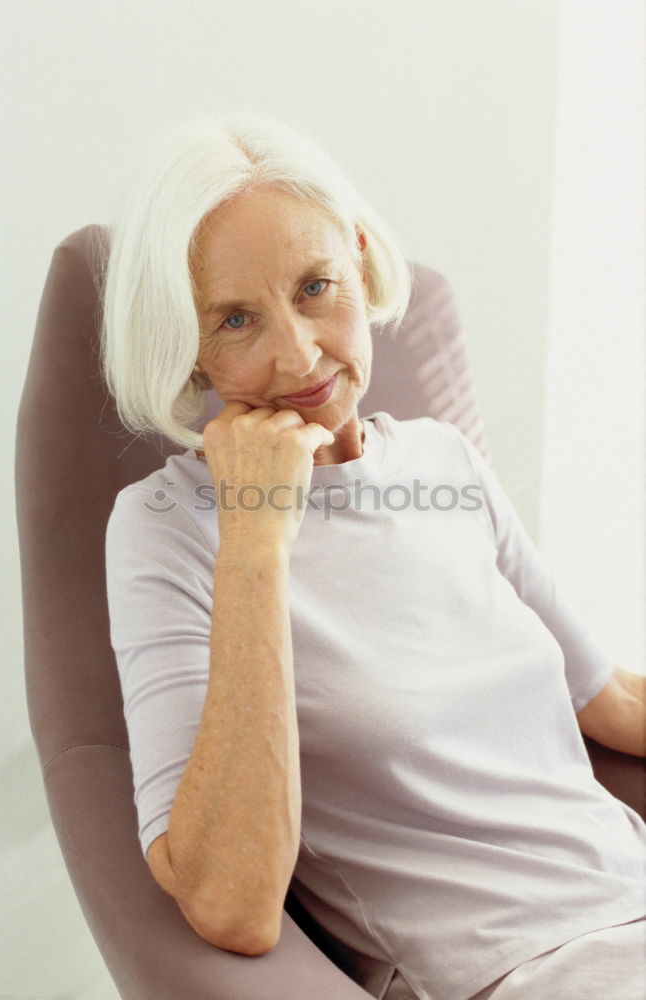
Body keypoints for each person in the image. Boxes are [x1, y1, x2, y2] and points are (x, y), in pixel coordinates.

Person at [101, 111, 646, 1000]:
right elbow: (231, 905)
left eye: (316, 286)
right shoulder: (165, 527)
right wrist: (255, 538)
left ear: (358, 256)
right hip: (528, 971)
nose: (299, 353)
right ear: (187, 346)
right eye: (236, 319)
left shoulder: (443, 460)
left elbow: (611, 698)